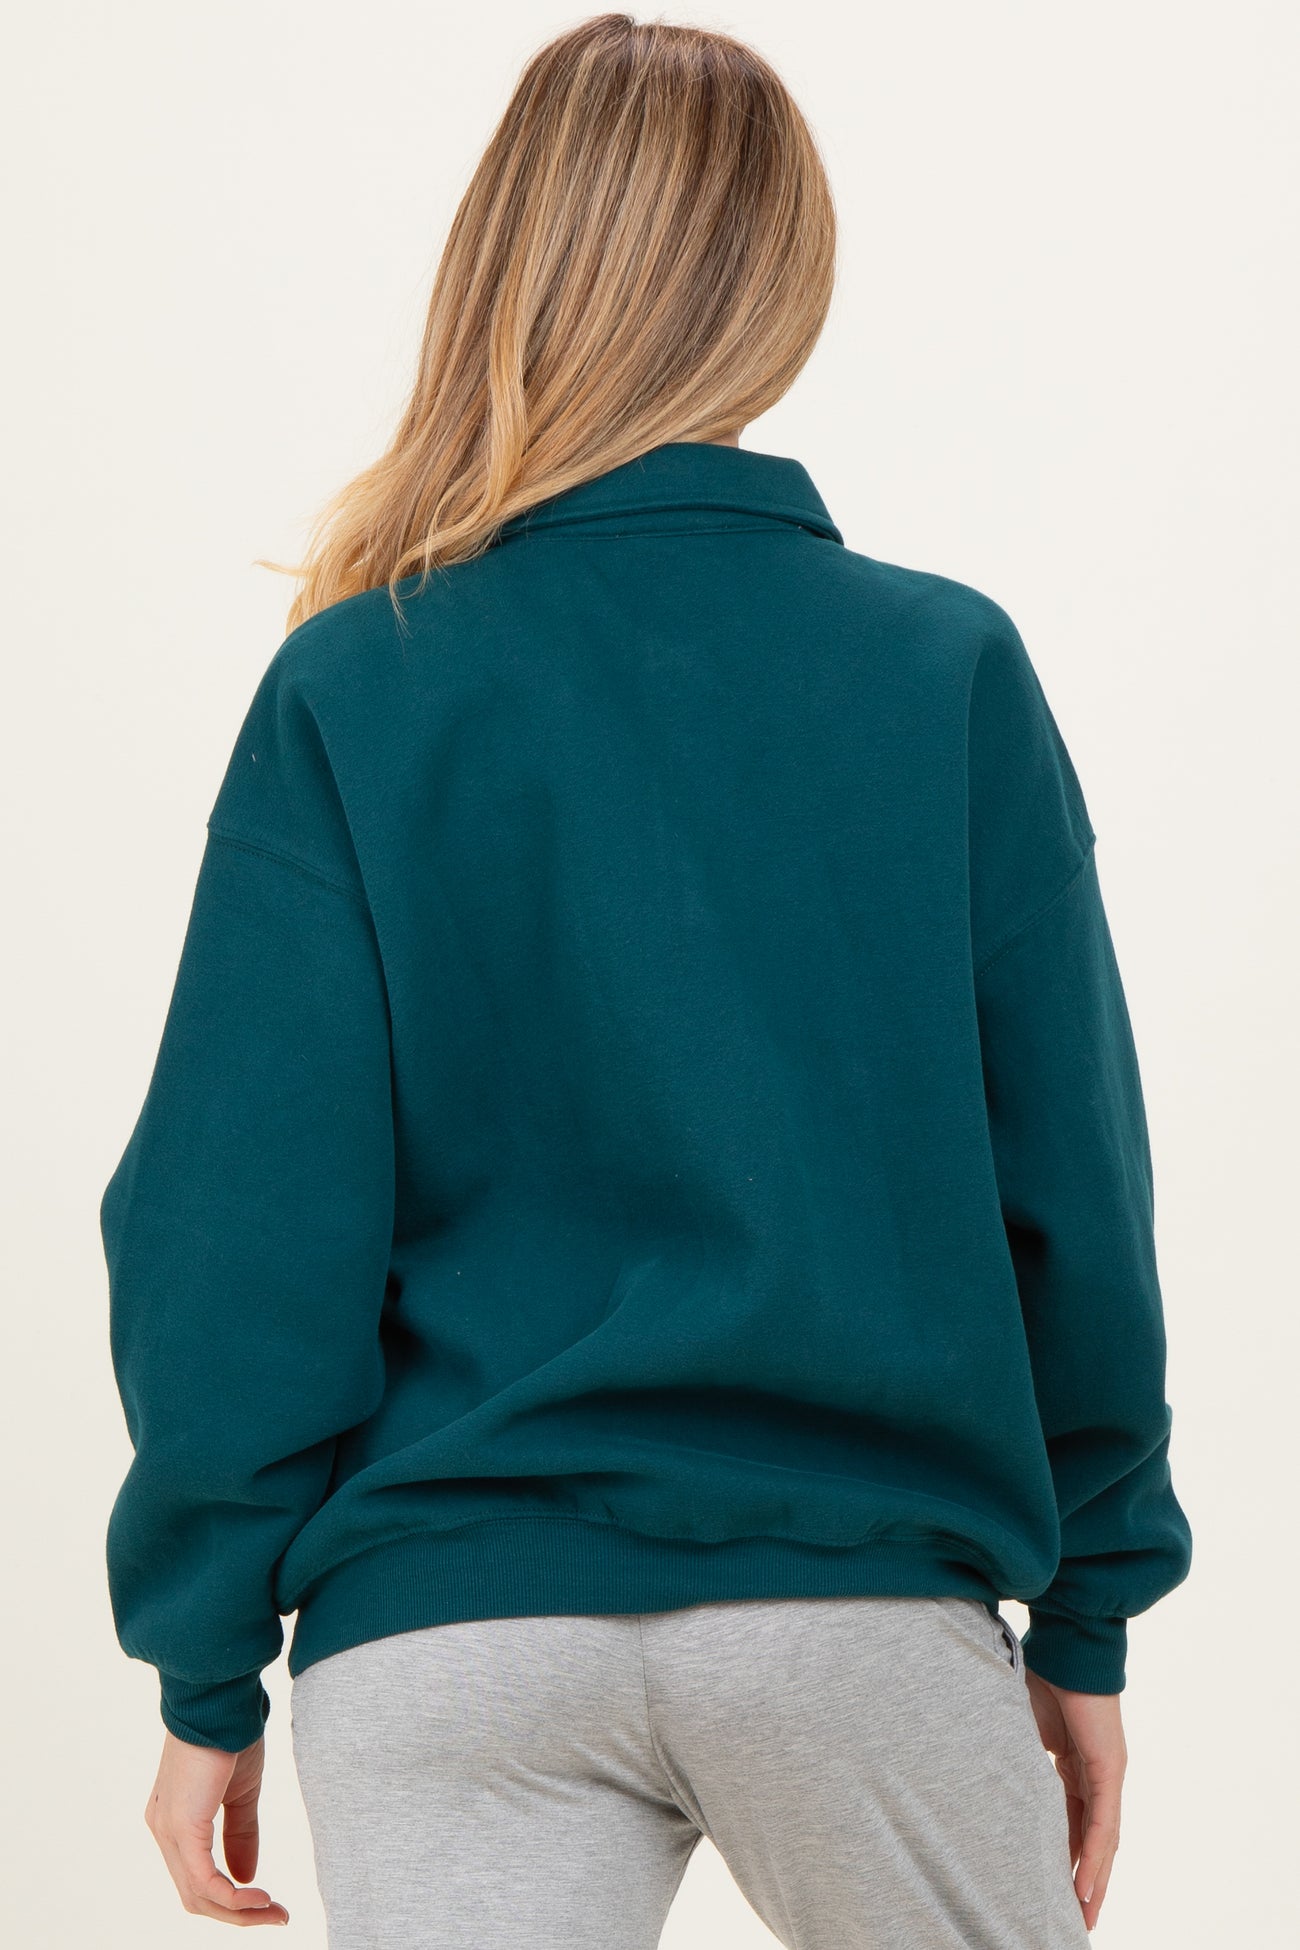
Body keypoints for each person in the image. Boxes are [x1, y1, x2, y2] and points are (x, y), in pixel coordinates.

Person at [100, 12, 1193, 1947]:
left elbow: (235, 1223)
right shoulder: (943, 672)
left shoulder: (354, 681)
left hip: (447, 1627)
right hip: (852, 1600)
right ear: (783, 281)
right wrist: (1089, 1611)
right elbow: (1075, 1199)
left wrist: (206, 1665)